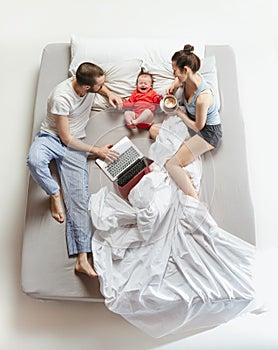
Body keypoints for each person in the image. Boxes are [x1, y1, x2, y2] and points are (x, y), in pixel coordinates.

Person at [27, 62, 122, 278]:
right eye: (100, 86)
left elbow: (101, 86)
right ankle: (54, 193)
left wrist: (109, 94)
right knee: (34, 160)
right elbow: (66, 139)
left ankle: (82, 259)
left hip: (75, 141)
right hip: (53, 137)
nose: (103, 87)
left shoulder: (87, 82)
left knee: (79, 199)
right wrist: (96, 150)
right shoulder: (61, 97)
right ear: (86, 88)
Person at [149, 44, 222, 201]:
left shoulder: (203, 97)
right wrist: (173, 86)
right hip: (192, 125)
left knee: (172, 165)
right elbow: (177, 80)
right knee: (153, 130)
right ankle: (182, 150)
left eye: (175, 70)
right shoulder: (186, 78)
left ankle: (198, 203)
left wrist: (179, 113)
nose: (174, 73)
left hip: (207, 133)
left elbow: (198, 126)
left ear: (186, 70)